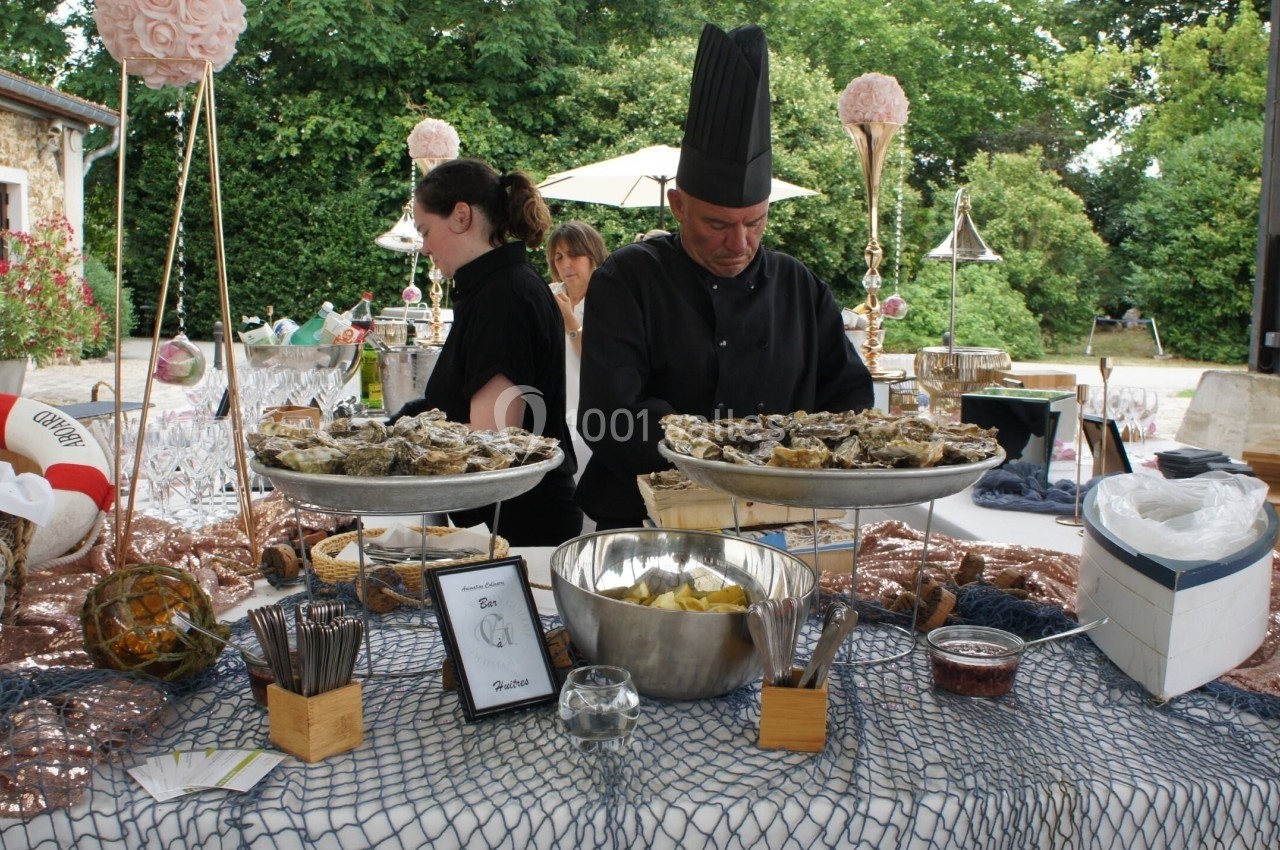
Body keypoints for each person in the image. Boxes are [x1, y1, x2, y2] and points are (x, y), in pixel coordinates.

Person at [576, 24, 874, 529]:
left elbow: (849, 400)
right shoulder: (628, 279)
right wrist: (723, 461)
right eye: (717, 225)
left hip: (780, 519)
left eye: (754, 222)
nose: (738, 244)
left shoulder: (799, 286)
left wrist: (795, 458)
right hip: (647, 519)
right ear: (678, 206)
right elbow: (609, 418)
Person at [392, 158, 583, 545]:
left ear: (461, 216)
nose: (426, 246)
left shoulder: (504, 296)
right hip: (506, 518)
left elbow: (491, 440)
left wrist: (401, 442)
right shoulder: (495, 287)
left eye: (426, 231)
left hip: (517, 526)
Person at [546, 221, 608, 479]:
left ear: (592, 255)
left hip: (593, 415)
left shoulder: (608, 298)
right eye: (558, 257)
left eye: (573, 254)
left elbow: (599, 359)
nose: (565, 264)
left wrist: (570, 320)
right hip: (552, 412)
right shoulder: (549, 293)